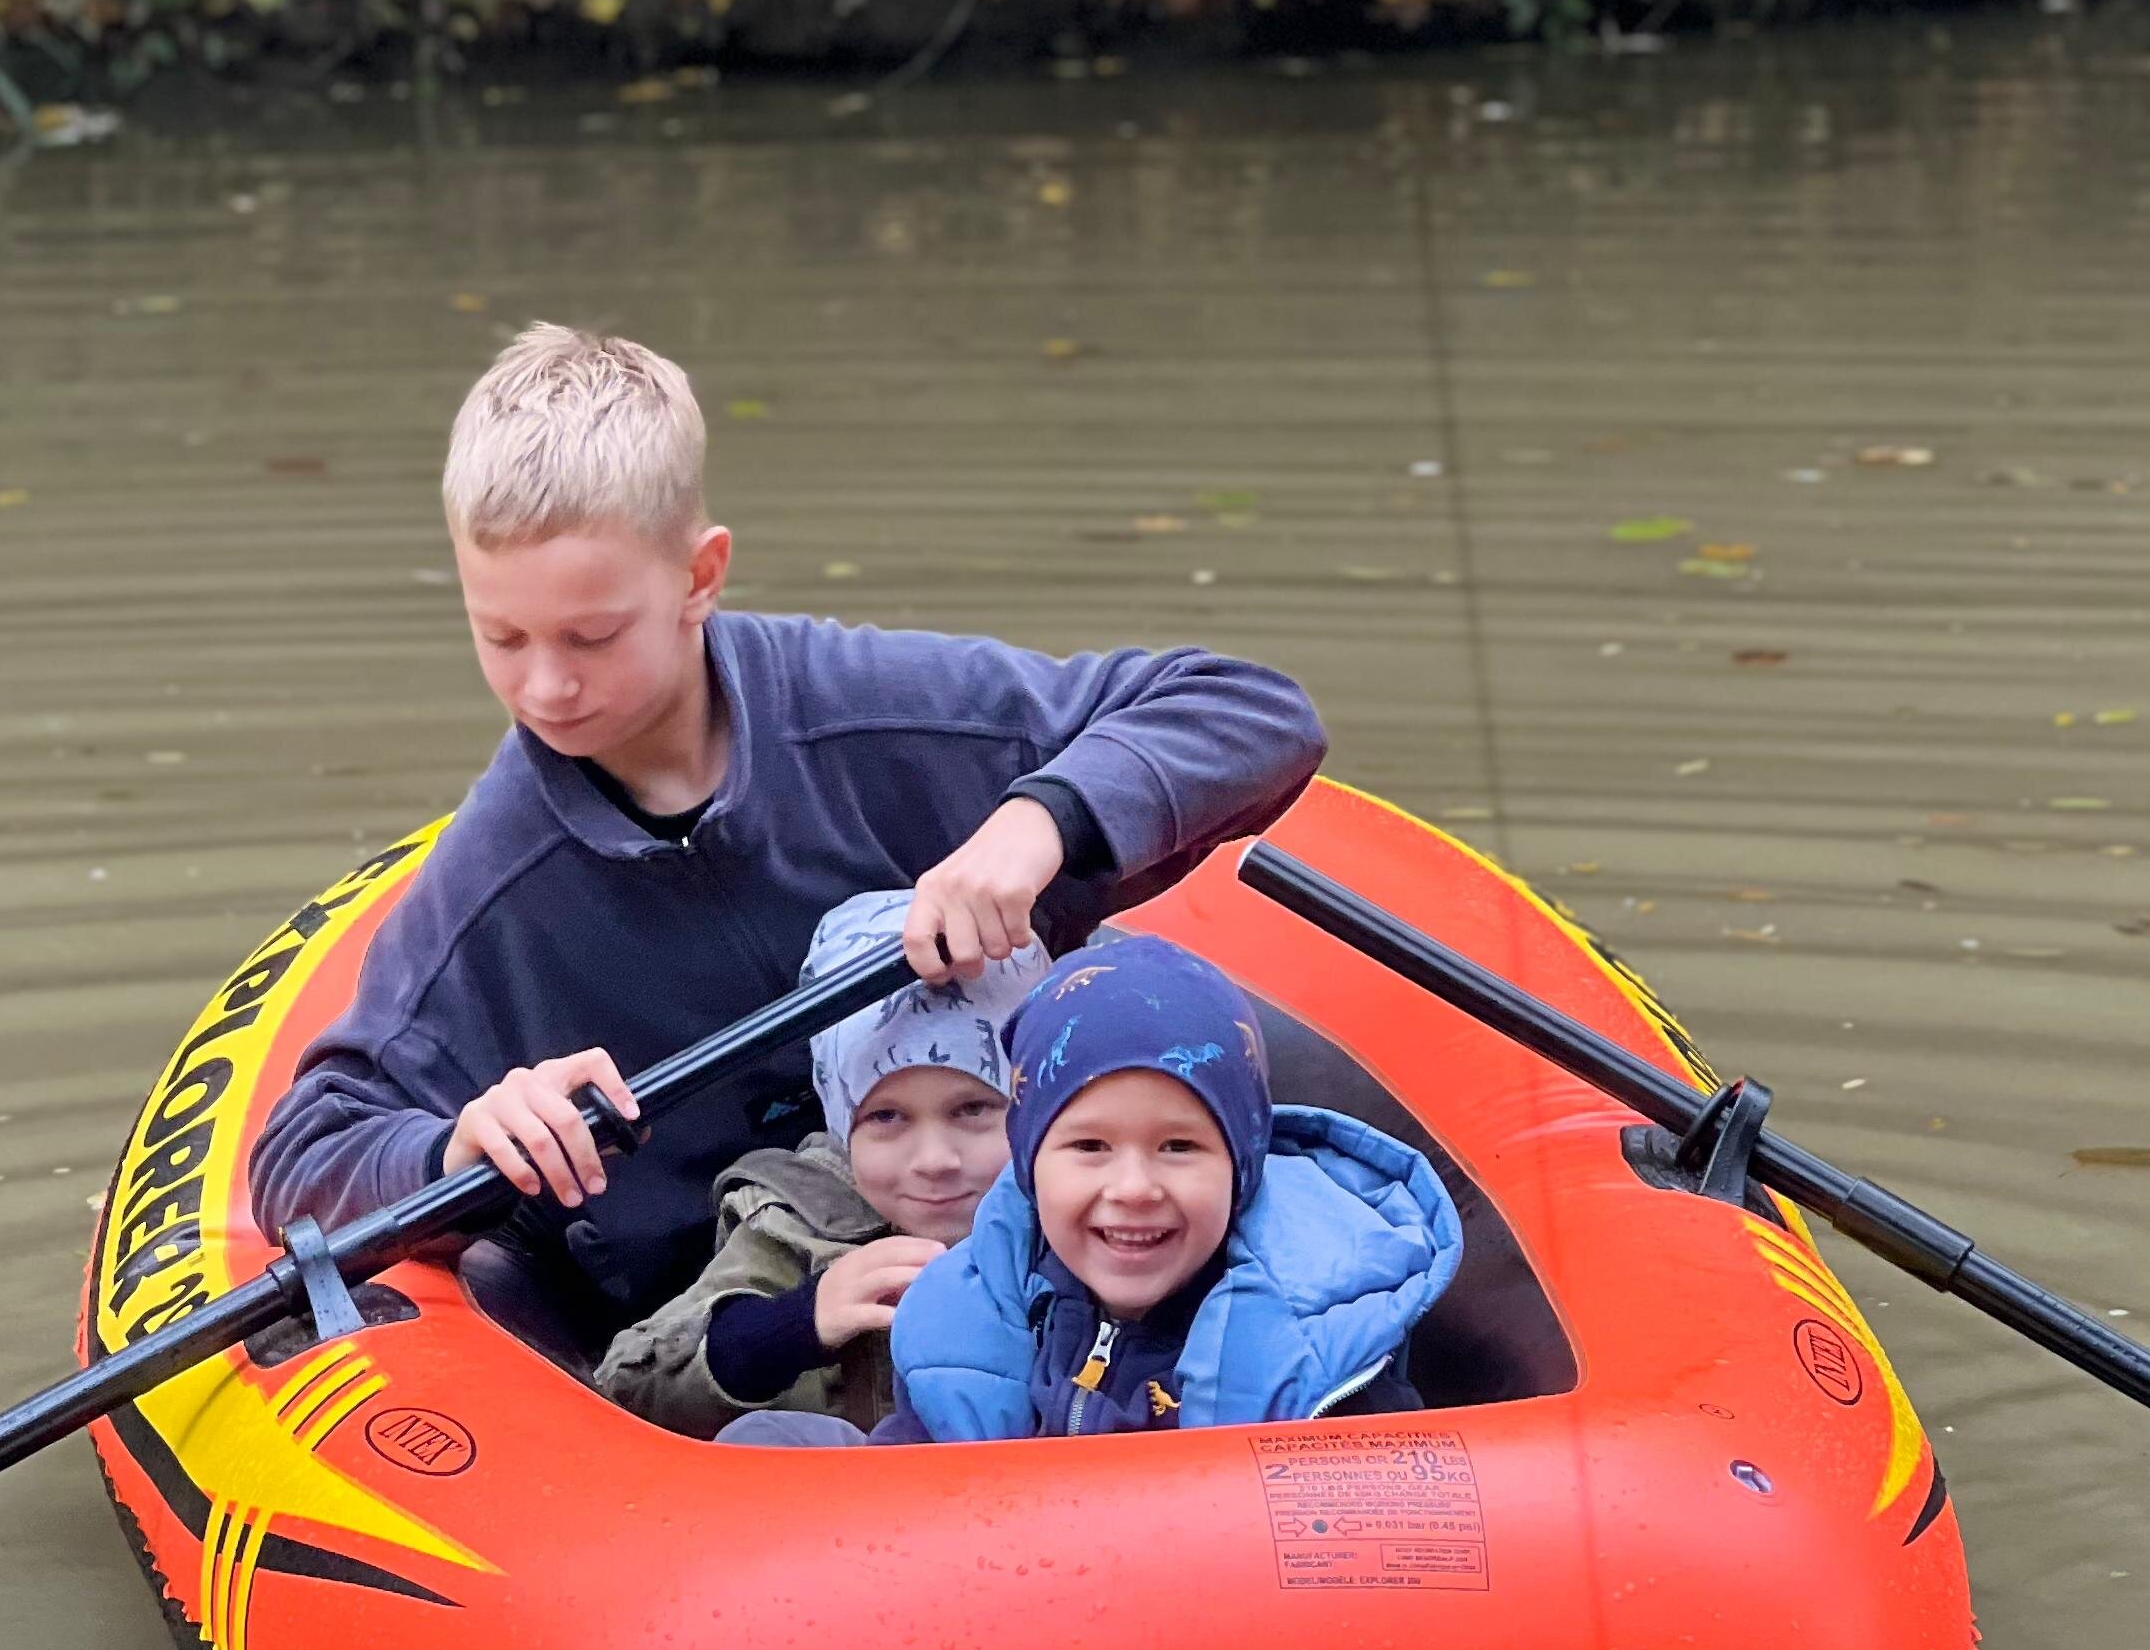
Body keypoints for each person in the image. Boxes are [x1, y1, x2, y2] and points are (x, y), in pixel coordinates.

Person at [245, 323, 1325, 1340]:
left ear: (700, 576)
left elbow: (1250, 710)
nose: (545, 686)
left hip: (1064, 1250)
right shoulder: (492, 884)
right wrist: (458, 1142)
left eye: (592, 635)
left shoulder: (881, 707)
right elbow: (306, 1152)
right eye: (502, 636)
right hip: (741, 1345)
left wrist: (1041, 820)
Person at [720, 934, 1460, 1447]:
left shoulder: (1326, 1340)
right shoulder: (965, 1306)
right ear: (1028, 1161)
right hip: (1003, 1589)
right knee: (766, 1444)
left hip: (1198, 1621)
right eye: (1089, 1147)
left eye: (1179, 1147)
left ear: (1244, 1165)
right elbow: (912, 1477)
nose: (1133, 1188)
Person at [593, 890, 1046, 1436]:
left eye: (973, 1108)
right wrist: (796, 1325)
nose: (934, 1160)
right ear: (840, 1122)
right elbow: (628, 1391)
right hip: (852, 1509)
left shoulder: (1082, 1207)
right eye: (885, 1118)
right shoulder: (795, 1225)